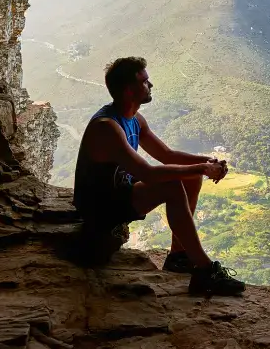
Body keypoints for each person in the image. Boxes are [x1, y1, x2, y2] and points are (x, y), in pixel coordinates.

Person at [73, 56, 246, 296]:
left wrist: (206, 162)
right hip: (100, 205)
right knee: (173, 186)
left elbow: (166, 154)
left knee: (189, 178)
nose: (150, 85)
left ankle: (179, 257)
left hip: (119, 192)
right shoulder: (107, 127)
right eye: (144, 81)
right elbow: (148, 173)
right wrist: (202, 169)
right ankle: (205, 271)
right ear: (128, 91)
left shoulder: (134, 119)